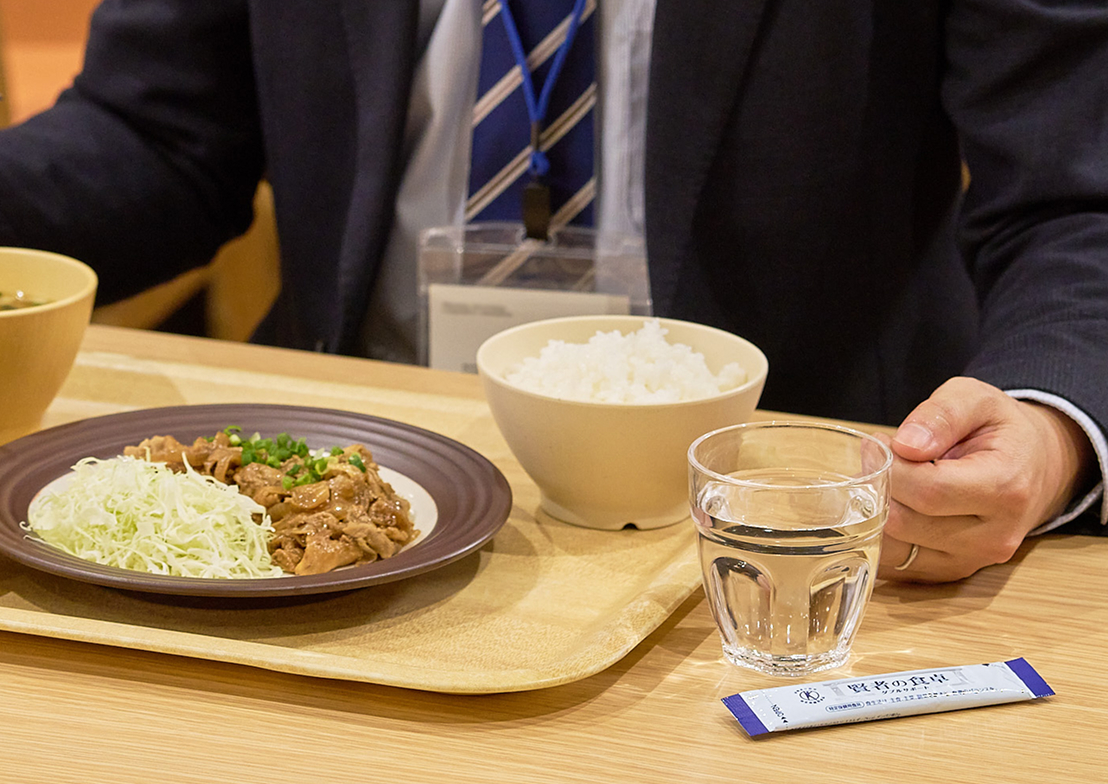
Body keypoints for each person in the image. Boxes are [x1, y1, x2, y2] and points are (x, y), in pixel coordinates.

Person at [0, 0, 1104, 583]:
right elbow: (160, 132)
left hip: (775, 524)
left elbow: (1077, 201)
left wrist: (1052, 430)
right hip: (338, 494)